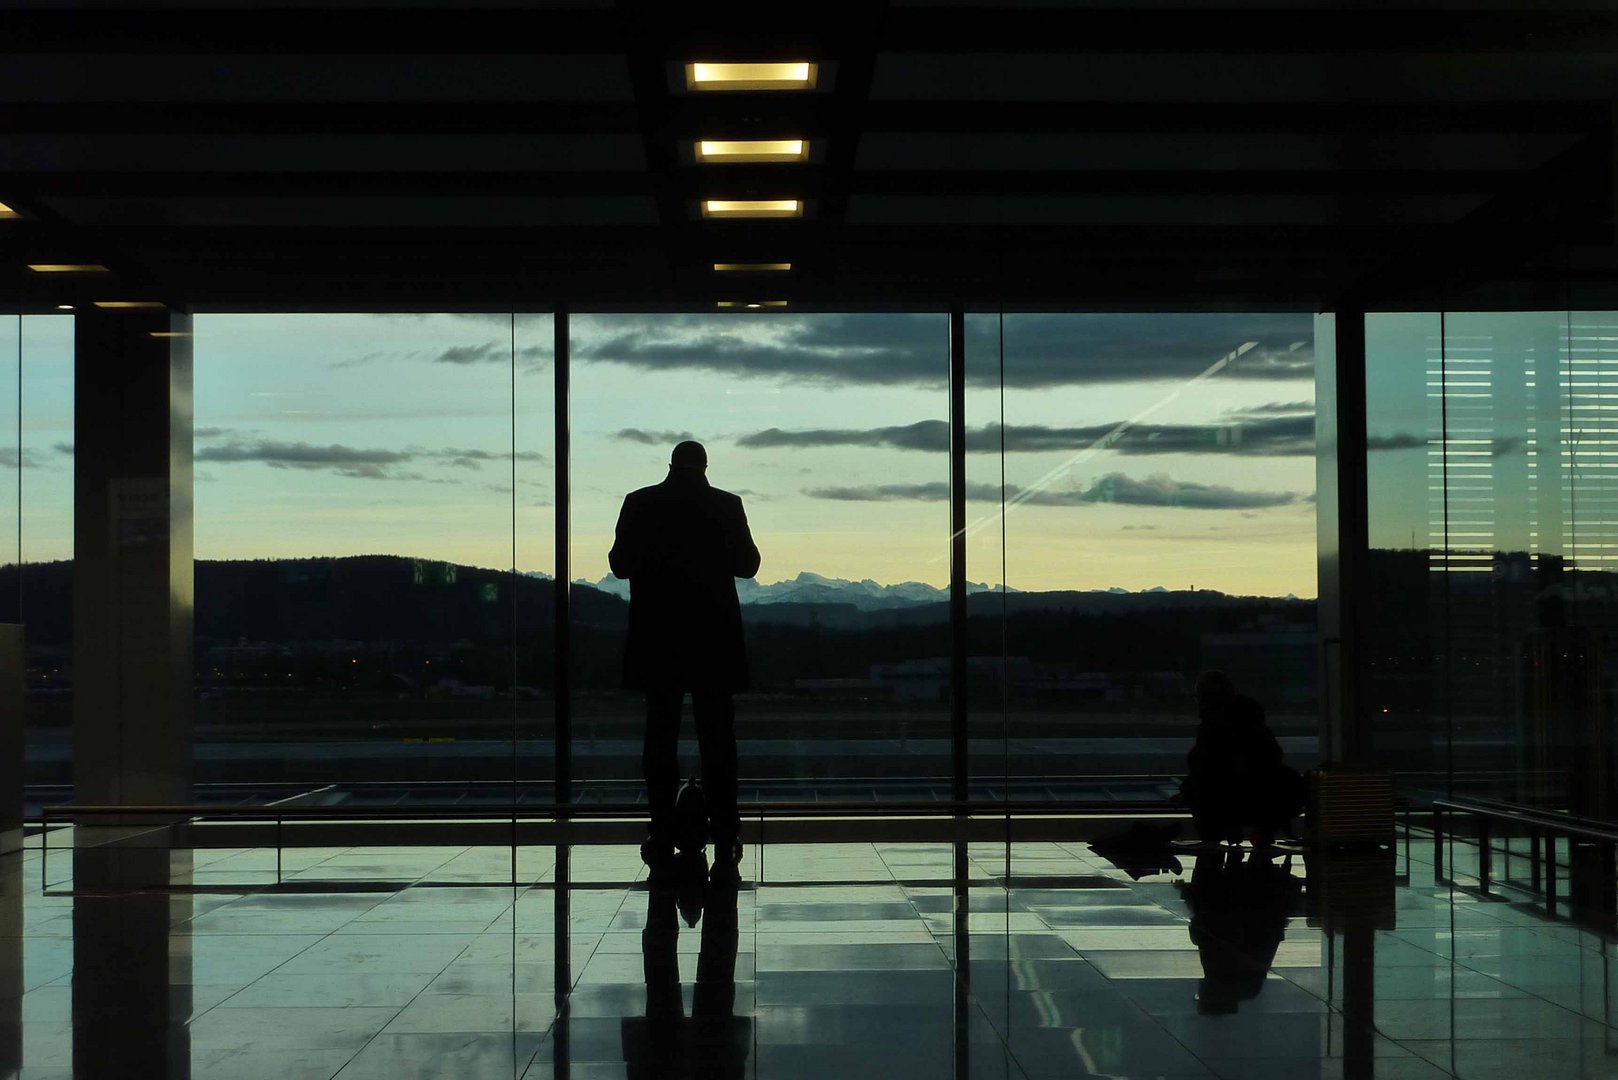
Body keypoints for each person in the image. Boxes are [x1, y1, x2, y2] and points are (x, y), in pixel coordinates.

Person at [609, 440, 760, 880]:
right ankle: (726, 832)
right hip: (714, 639)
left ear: (671, 465)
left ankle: (660, 831)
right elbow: (748, 565)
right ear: (706, 466)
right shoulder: (726, 505)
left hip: (658, 637)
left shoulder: (639, 503)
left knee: (660, 737)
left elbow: (619, 565)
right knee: (718, 739)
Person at [1180, 670, 1304, 848]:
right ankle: (1261, 831)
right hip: (1263, 797)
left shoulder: (1209, 730)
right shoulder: (1252, 723)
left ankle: (1217, 835)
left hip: (1226, 797)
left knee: (1199, 784)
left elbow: (1207, 774)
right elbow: (1273, 759)